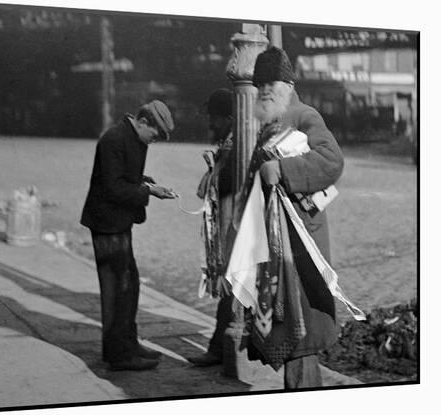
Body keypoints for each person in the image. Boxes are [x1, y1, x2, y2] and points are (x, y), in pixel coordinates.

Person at [241, 46, 345, 389]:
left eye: (273, 82)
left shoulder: (304, 115)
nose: (266, 88)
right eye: (261, 83)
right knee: (291, 332)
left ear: (288, 83)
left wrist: (282, 168)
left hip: (300, 242)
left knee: (303, 336)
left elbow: (331, 161)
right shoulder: (269, 121)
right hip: (276, 242)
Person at [80, 100, 176, 371]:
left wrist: (145, 181)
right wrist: (149, 192)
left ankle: (128, 343)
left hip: (118, 222)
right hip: (106, 224)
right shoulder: (113, 139)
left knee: (130, 284)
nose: (153, 141)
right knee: (116, 290)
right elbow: (113, 188)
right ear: (143, 122)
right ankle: (118, 355)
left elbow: (125, 176)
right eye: (154, 135)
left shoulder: (132, 138)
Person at [187, 89, 235, 367]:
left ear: (229, 117)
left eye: (214, 118)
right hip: (225, 226)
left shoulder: (235, 144)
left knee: (230, 286)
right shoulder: (229, 142)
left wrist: (214, 171)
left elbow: (229, 184)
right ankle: (219, 346)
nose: (210, 124)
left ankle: (219, 349)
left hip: (232, 228)